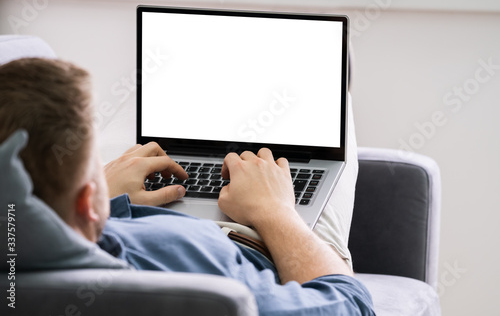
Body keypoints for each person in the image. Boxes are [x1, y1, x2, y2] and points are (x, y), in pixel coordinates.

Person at [0, 58, 374, 315]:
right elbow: (351, 306)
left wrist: (102, 202)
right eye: (95, 167)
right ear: (85, 203)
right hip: (263, 240)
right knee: (337, 97)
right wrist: (275, 211)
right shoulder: (186, 264)